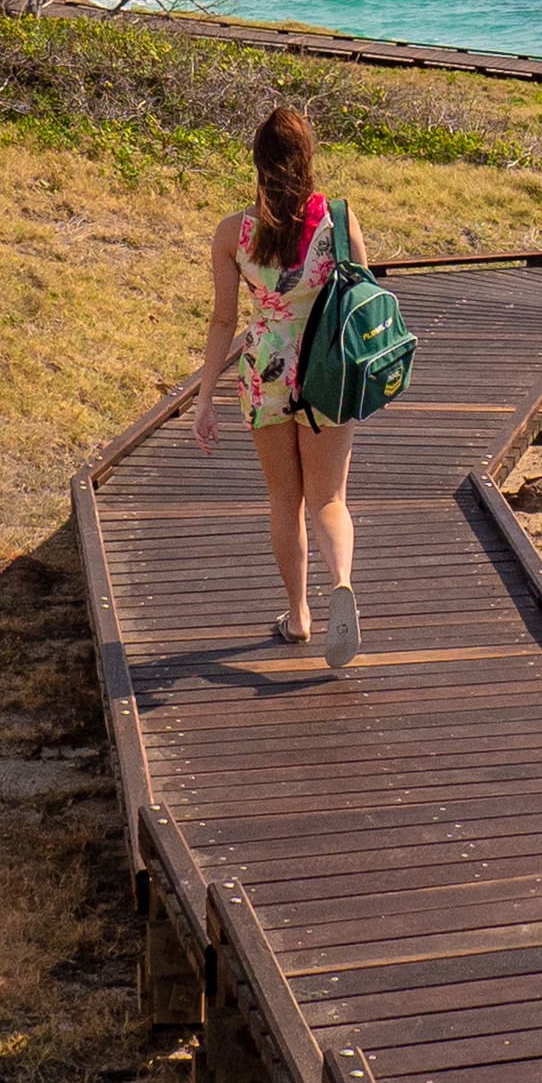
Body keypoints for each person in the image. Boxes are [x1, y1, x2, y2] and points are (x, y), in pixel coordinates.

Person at [193, 103, 361, 671]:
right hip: (326, 372)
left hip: (265, 372)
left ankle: (298, 616)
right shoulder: (338, 219)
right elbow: (359, 300)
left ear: (258, 163)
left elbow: (222, 321)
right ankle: (341, 583)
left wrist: (204, 396)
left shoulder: (233, 233)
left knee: (284, 501)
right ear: (307, 158)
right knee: (330, 499)